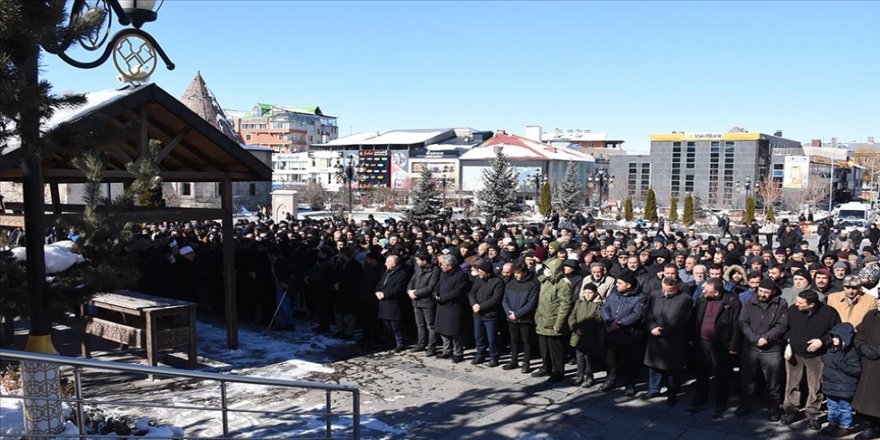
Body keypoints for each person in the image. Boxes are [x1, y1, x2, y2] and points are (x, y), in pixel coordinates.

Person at [781, 290, 841, 430]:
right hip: (795, 354)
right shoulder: (793, 310)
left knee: (815, 387)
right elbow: (784, 328)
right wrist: (789, 341)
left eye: (801, 303)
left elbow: (836, 331)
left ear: (812, 304)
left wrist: (823, 341)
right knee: (792, 383)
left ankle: (812, 414)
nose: (797, 304)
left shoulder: (829, 313)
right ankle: (791, 410)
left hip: (817, 356)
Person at [736, 279, 788, 420]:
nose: (763, 294)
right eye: (761, 291)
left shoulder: (781, 304)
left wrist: (766, 338)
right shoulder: (749, 301)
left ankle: (773, 408)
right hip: (751, 347)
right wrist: (754, 338)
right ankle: (744, 405)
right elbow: (743, 322)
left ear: (773, 292)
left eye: (766, 292)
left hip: (772, 348)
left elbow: (781, 325)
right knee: (747, 379)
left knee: (773, 381)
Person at [690, 277, 742, 419]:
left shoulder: (732, 302)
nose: (703, 292)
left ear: (717, 293)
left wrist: (734, 346)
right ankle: (700, 398)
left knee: (722, 374)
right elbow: (696, 318)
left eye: (707, 290)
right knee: (701, 372)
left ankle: (721, 401)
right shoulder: (702, 299)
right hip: (702, 341)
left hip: (721, 344)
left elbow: (737, 325)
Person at [643, 276, 693, 406]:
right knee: (654, 365)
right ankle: (653, 389)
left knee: (672, 369)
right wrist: (652, 327)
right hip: (655, 337)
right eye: (664, 290)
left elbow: (682, 321)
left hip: (673, 339)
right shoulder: (654, 295)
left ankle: (672, 392)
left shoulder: (685, 300)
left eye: (670, 291)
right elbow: (647, 313)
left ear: (676, 288)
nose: (666, 293)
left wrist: (665, 331)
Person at [600, 270, 648, 396]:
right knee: (611, 359)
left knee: (629, 361)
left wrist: (619, 323)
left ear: (628, 285)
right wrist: (609, 322)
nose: (617, 285)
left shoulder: (640, 297)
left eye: (620, 283)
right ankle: (611, 380)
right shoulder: (614, 294)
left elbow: (636, 314)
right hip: (611, 332)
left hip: (629, 334)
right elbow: (605, 308)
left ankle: (629, 384)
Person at [532, 259, 573, 382]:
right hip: (542, 319)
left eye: (549, 269)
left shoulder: (563, 283)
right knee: (544, 347)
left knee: (556, 349)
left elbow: (565, 305)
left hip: (553, 321)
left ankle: (558, 371)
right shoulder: (546, 281)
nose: (547, 271)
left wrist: (559, 322)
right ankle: (546, 367)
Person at [819, 323, 862, 437]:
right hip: (830, 385)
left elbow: (856, 370)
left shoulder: (851, 352)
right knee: (832, 406)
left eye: (837, 337)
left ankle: (845, 426)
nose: (834, 339)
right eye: (833, 336)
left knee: (845, 408)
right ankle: (833, 423)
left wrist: (842, 365)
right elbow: (826, 364)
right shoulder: (830, 350)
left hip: (844, 387)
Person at [501, 263, 540, 373]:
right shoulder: (510, 284)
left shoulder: (531, 285)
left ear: (524, 272)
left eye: (518, 273)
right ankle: (513, 361)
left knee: (526, 340)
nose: (516, 275)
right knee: (513, 340)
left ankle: (526, 363)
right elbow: (505, 299)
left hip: (525, 319)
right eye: (515, 273)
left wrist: (517, 314)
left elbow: (531, 303)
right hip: (511, 317)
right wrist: (509, 313)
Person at [434, 254, 471, 363]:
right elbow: (438, 285)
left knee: (455, 332)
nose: (441, 266)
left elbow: (458, 291)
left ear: (450, 266)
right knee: (443, 330)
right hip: (442, 306)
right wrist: (436, 294)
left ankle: (458, 353)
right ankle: (447, 350)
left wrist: (443, 298)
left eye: (443, 264)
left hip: (453, 307)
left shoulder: (461, 275)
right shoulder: (443, 274)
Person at [468, 259, 505, 366]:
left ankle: (494, 356)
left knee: (492, 338)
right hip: (477, 314)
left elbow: (495, 299)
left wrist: (481, 306)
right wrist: (474, 304)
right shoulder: (479, 279)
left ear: (487, 271)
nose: (479, 273)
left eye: (481, 271)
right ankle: (480, 354)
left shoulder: (498, 281)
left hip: (490, 315)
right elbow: (472, 293)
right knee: (478, 336)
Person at [853, 300, 880, 440]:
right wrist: (862, 346)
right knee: (869, 399)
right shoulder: (871, 315)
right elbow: (859, 334)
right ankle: (872, 427)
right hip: (869, 365)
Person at [568, 283, 603, 387]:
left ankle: (589, 377)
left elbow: (597, 319)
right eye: (586, 292)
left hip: (590, 336)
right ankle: (579, 375)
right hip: (577, 335)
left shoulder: (598, 305)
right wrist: (575, 328)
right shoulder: (579, 303)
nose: (587, 295)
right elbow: (572, 316)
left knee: (589, 358)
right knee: (579, 356)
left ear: (595, 293)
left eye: (590, 293)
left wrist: (583, 330)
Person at [407, 252, 440, 354]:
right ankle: (421, 344)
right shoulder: (418, 269)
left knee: (430, 325)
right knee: (419, 324)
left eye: (418, 260)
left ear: (424, 261)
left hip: (427, 301)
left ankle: (431, 346)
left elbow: (431, 287)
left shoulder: (435, 270)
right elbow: (411, 281)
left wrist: (416, 293)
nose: (416, 262)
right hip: (416, 301)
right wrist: (409, 291)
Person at [375, 255, 410, 352]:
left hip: (393, 303)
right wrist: (377, 291)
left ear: (393, 264)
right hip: (384, 303)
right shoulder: (386, 272)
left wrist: (385, 294)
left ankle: (400, 343)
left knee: (395, 326)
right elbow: (380, 284)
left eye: (387, 262)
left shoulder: (401, 274)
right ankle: (388, 342)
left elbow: (398, 289)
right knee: (386, 325)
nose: (385, 263)